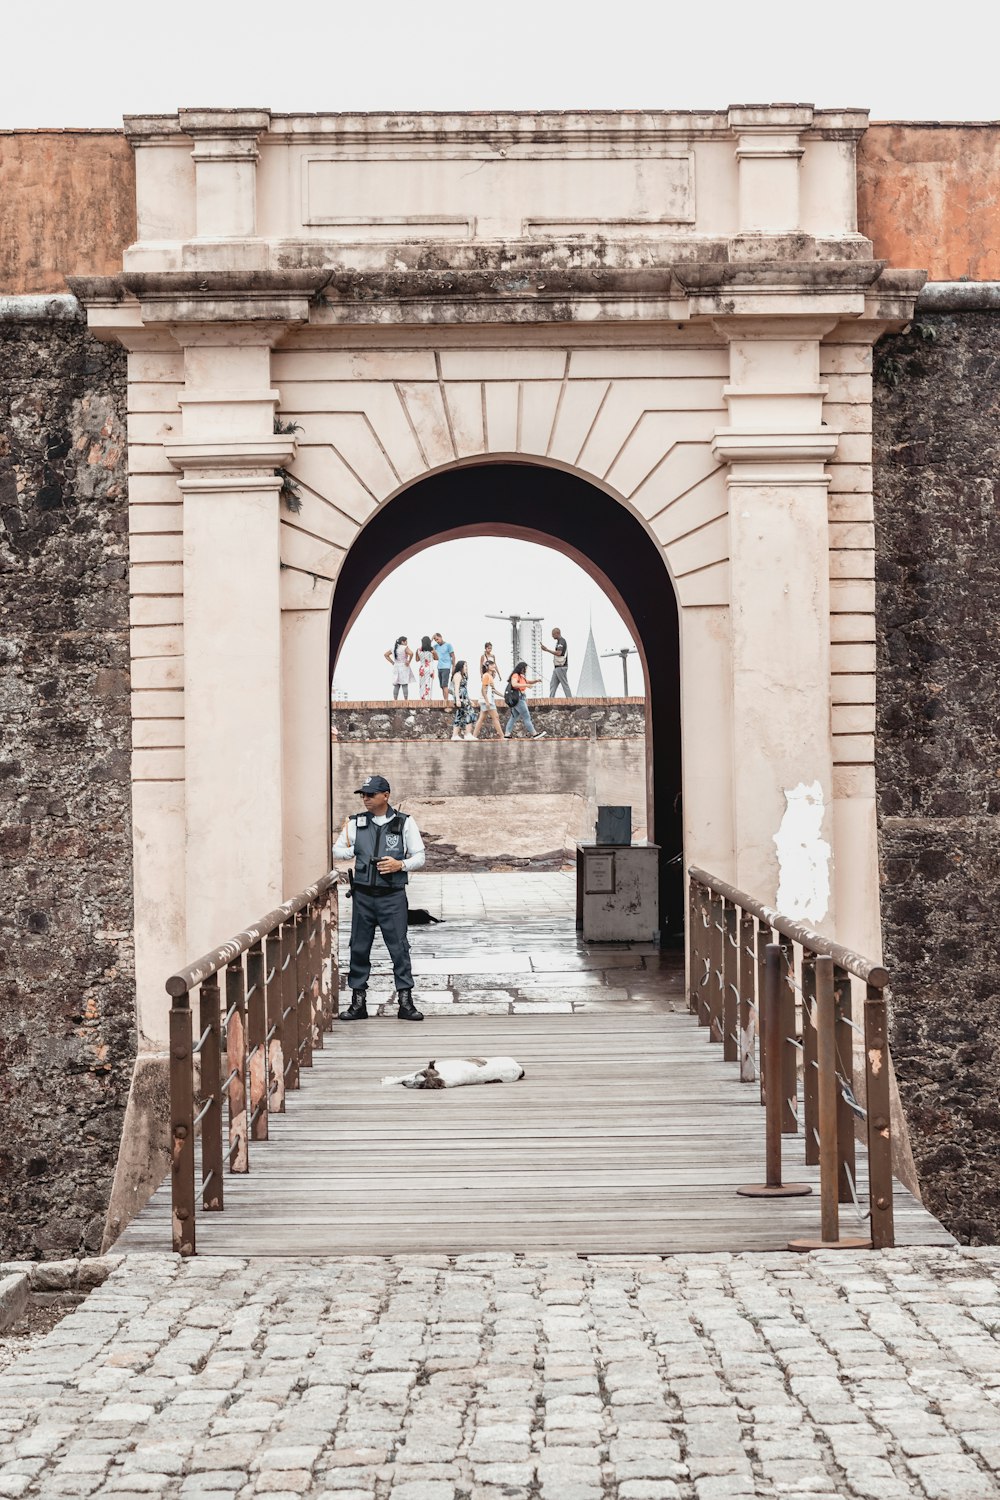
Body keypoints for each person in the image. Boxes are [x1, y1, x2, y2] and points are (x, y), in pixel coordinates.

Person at [332, 774, 426, 1022]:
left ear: (386, 795)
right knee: (359, 948)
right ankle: (358, 1001)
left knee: (399, 948)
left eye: (370, 794)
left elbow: (420, 857)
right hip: (363, 895)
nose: (366, 799)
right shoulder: (355, 823)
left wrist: (400, 865)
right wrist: (355, 850)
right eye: (363, 794)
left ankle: (405, 1001)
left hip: (392, 896)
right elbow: (337, 850)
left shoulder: (404, 823)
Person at [504, 662, 547, 740]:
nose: (526, 670)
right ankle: (534, 734)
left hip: (520, 698)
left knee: (513, 717)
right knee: (527, 717)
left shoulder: (521, 676)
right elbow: (514, 684)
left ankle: (507, 734)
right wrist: (526, 685)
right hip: (519, 699)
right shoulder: (515, 675)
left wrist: (536, 681)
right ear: (522, 668)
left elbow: (527, 682)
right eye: (525, 668)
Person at [472, 667, 504, 740]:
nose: (495, 673)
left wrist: (503, 696)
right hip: (488, 700)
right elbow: (483, 689)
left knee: (481, 718)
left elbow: (493, 690)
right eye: (492, 665)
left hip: (489, 700)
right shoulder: (486, 676)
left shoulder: (489, 677)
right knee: (495, 717)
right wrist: (487, 701)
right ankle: (502, 736)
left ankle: (474, 736)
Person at [450, 659, 477, 740]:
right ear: (461, 666)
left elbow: (465, 689)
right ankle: (467, 734)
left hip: (465, 697)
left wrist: (469, 700)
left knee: (459, 715)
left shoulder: (464, 675)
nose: (466, 667)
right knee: (470, 713)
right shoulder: (457, 675)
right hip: (460, 698)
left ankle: (455, 735)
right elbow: (456, 688)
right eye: (465, 666)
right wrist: (457, 699)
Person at [541, 626, 572, 697]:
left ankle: (570, 700)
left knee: (564, 684)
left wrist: (547, 650)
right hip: (557, 667)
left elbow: (559, 653)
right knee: (553, 684)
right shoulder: (559, 641)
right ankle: (551, 700)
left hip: (561, 666)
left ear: (557, 633)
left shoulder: (561, 641)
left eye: (553, 634)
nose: (552, 636)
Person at [384, 636, 414, 700]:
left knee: (396, 684)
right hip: (404, 667)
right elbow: (411, 653)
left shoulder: (394, 648)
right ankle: (406, 700)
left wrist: (392, 662)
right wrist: (409, 661)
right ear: (403, 642)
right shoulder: (404, 647)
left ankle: (395, 700)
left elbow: (386, 655)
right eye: (406, 641)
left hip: (396, 667)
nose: (407, 643)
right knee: (404, 684)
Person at [432, 632, 455, 704]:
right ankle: (445, 699)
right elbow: (427, 647)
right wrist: (431, 639)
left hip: (446, 667)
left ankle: (446, 701)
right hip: (439, 667)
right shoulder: (436, 646)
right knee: (442, 686)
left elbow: (453, 656)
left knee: (445, 685)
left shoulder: (448, 645)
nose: (437, 641)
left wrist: (453, 666)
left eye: (437, 639)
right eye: (435, 640)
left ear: (441, 637)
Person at [415, 635, 437, 701]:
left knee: (422, 684)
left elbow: (417, 659)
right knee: (429, 684)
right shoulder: (432, 649)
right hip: (430, 669)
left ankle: (422, 698)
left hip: (422, 669)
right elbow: (436, 658)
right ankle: (428, 698)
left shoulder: (418, 650)